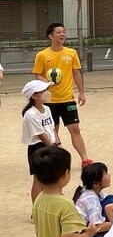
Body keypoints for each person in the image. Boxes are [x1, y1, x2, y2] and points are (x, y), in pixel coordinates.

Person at [33, 22, 93, 168]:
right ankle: (57, 159)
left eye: (63, 32)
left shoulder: (71, 53)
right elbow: (37, 75)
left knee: (75, 129)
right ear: (50, 36)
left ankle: (85, 159)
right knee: (53, 131)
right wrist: (48, 83)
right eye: (58, 32)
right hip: (49, 101)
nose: (62, 34)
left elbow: (76, 73)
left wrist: (81, 93)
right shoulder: (42, 55)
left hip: (68, 99)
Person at [21, 79, 57, 205]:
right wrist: (53, 149)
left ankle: (46, 205)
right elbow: (41, 134)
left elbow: (52, 129)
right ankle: (36, 209)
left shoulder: (46, 109)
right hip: (38, 147)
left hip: (50, 144)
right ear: (35, 96)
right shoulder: (31, 114)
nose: (47, 93)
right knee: (38, 179)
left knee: (49, 178)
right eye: (44, 91)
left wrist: (58, 143)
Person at [73, 162, 113, 237]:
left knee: (111, 199)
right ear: (96, 183)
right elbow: (97, 226)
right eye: (105, 174)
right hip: (85, 231)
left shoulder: (88, 190)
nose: (109, 175)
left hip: (85, 225)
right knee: (111, 202)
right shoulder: (91, 199)